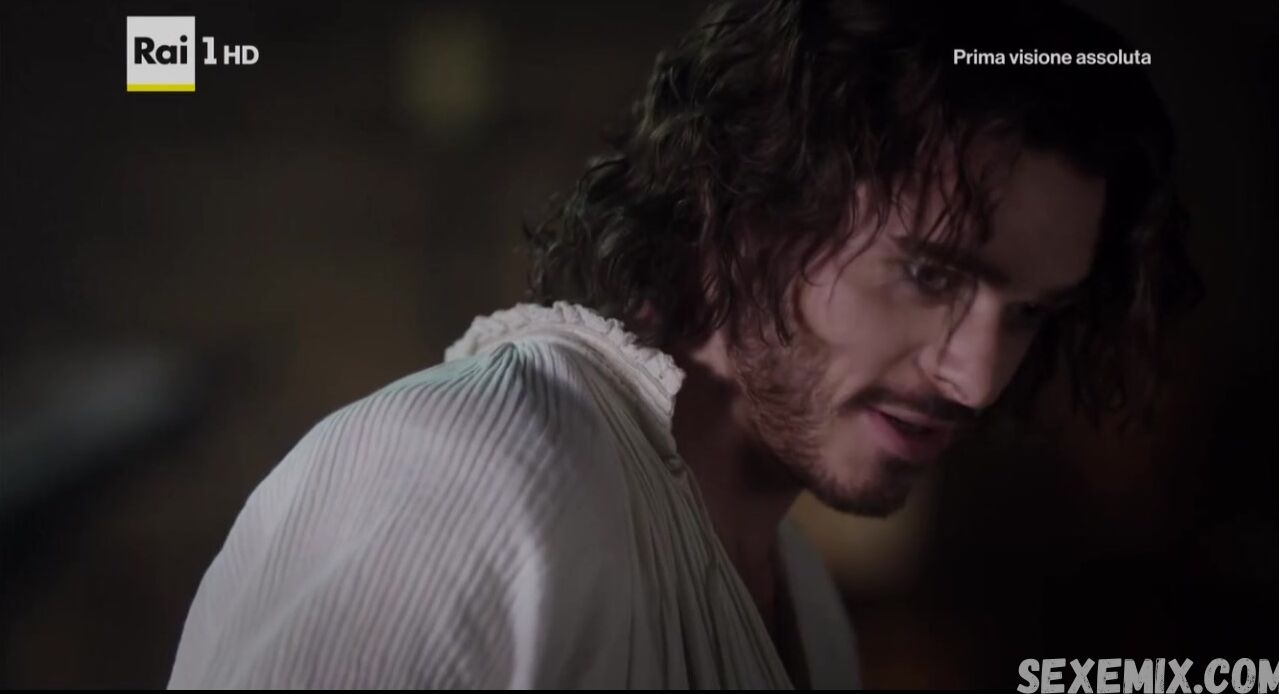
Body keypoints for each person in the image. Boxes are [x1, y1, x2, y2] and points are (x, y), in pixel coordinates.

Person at [168, 0, 1200, 688]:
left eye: (1029, 312)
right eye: (929, 275)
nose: (974, 378)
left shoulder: (806, 604)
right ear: (743, 212)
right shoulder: (465, 477)